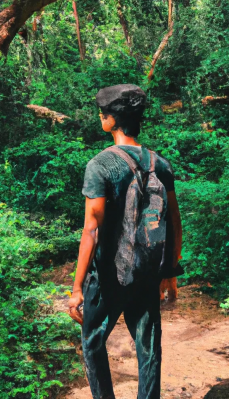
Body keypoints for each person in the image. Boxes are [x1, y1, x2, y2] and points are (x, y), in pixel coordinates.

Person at [67, 84, 183, 399]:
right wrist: (170, 273)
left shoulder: (100, 165)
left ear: (112, 120)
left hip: (107, 278)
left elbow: (92, 229)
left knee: (92, 342)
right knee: (148, 348)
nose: (99, 117)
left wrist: (77, 289)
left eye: (102, 113)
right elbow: (173, 222)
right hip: (147, 274)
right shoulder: (160, 163)